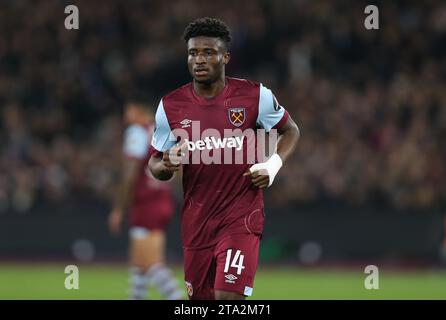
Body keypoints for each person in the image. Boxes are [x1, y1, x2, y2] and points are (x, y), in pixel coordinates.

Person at [148, 17, 300, 300]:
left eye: (209, 52)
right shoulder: (170, 106)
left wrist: (272, 165)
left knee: (227, 298)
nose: (199, 59)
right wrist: (166, 164)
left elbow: (290, 130)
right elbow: (154, 163)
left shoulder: (256, 96)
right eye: (193, 53)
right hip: (197, 224)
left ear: (225, 57)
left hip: (240, 218)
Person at [108, 101, 184, 300]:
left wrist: (118, 208)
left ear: (140, 110)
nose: (127, 117)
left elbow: (130, 174)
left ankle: (180, 301)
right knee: (139, 264)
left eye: (129, 111)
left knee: (150, 263)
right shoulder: (163, 131)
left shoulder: (137, 132)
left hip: (145, 203)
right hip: (162, 200)